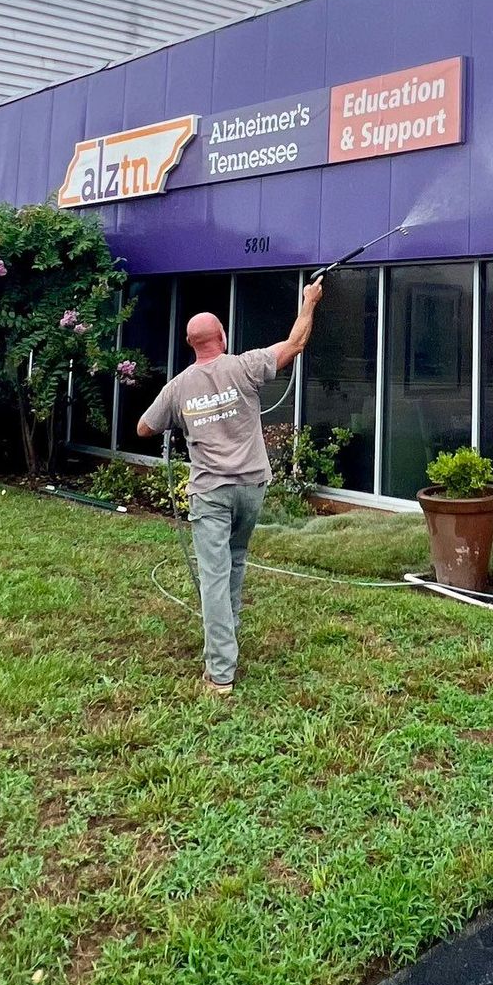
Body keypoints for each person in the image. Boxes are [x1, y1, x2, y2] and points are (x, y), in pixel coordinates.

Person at [136, 278, 324, 697]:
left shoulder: (179, 387)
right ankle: (229, 640)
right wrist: (309, 302)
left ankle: (220, 673)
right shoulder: (244, 365)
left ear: (191, 344)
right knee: (234, 562)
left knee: (215, 577)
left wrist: (178, 420)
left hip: (211, 493)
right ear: (221, 337)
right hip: (252, 488)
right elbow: (295, 343)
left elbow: (143, 427)